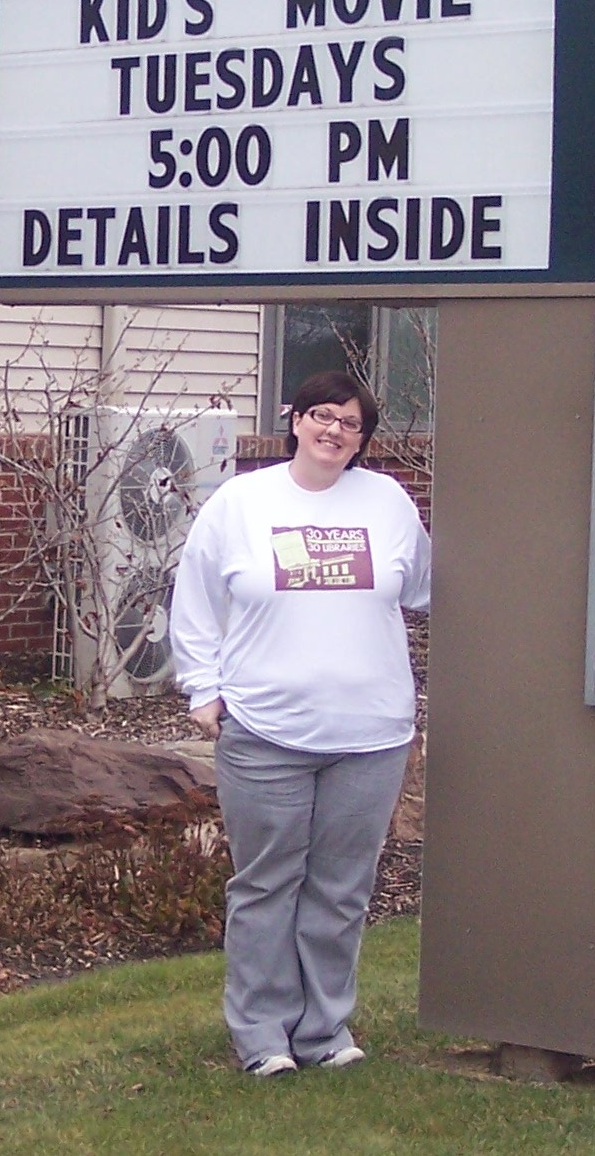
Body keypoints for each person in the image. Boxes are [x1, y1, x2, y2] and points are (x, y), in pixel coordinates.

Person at [170, 370, 431, 1077]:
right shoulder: (242, 502)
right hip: (264, 731)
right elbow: (194, 598)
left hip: (371, 735)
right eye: (323, 414)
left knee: (342, 887)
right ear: (296, 420)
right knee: (266, 883)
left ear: (362, 439)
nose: (334, 430)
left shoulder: (387, 501)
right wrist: (203, 687)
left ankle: (324, 1029)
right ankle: (262, 1035)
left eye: (351, 422)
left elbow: (427, 586)